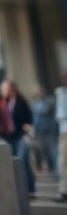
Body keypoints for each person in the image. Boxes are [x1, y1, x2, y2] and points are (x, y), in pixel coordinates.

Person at [0, 79, 35, 197]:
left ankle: (29, 189)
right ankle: (17, 189)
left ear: (12, 89)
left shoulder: (20, 102)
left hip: (19, 135)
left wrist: (28, 125)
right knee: (11, 163)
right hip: (6, 136)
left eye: (6, 89)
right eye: (2, 89)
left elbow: (29, 117)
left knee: (22, 161)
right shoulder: (0, 103)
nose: (4, 91)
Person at [32, 87, 58, 175]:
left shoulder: (50, 100)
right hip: (40, 130)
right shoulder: (35, 103)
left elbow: (46, 111)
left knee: (52, 149)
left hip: (49, 130)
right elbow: (34, 117)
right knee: (44, 150)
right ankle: (50, 168)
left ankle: (55, 168)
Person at [55, 71, 67, 202]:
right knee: (63, 161)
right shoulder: (60, 92)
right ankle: (64, 190)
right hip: (64, 130)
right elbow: (60, 113)